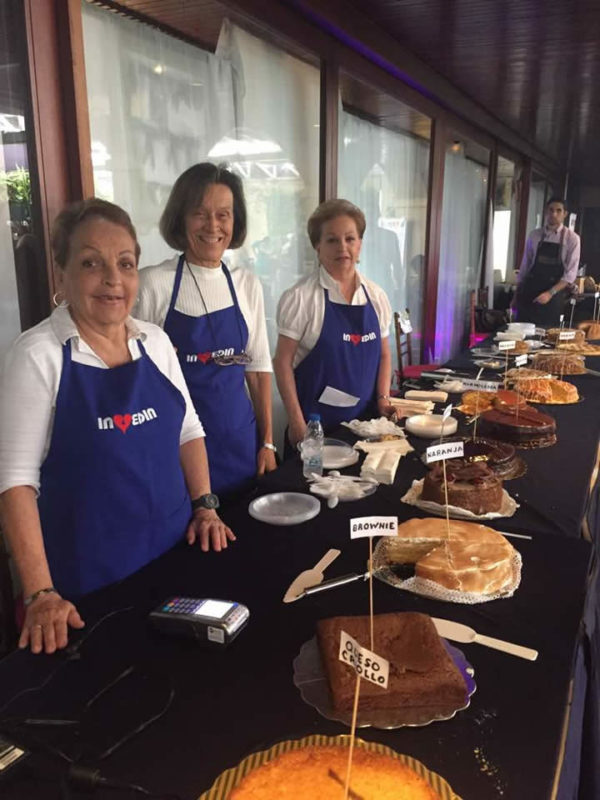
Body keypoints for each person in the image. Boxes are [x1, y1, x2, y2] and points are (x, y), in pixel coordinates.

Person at [0, 199, 234, 654]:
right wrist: (40, 593)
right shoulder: (37, 356)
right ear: (62, 271)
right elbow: (14, 483)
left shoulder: (157, 342)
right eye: (91, 263)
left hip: (173, 565)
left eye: (125, 263)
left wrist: (205, 504)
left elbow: (188, 429)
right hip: (86, 588)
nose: (112, 278)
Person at [136, 163, 276, 496]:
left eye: (223, 215)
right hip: (178, 450)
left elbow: (257, 369)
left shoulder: (247, 284)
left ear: (235, 221)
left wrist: (268, 442)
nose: (213, 226)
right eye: (200, 213)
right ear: (181, 219)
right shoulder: (153, 283)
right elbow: (137, 378)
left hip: (240, 442)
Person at [273, 199, 393, 450]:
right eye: (331, 240)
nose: (343, 247)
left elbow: (383, 354)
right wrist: (296, 421)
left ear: (360, 244)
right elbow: (282, 362)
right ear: (317, 246)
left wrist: (383, 399)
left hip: (366, 430)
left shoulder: (376, 296)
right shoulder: (300, 298)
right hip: (315, 431)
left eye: (350, 239)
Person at [516, 196, 581, 327]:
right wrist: (516, 295)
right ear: (546, 211)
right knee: (522, 335)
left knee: (547, 337)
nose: (554, 214)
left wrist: (550, 293)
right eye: (551, 210)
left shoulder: (572, 239)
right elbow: (525, 267)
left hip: (553, 294)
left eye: (558, 210)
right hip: (530, 292)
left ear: (565, 214)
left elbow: (570, 275)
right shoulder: (534, 235)